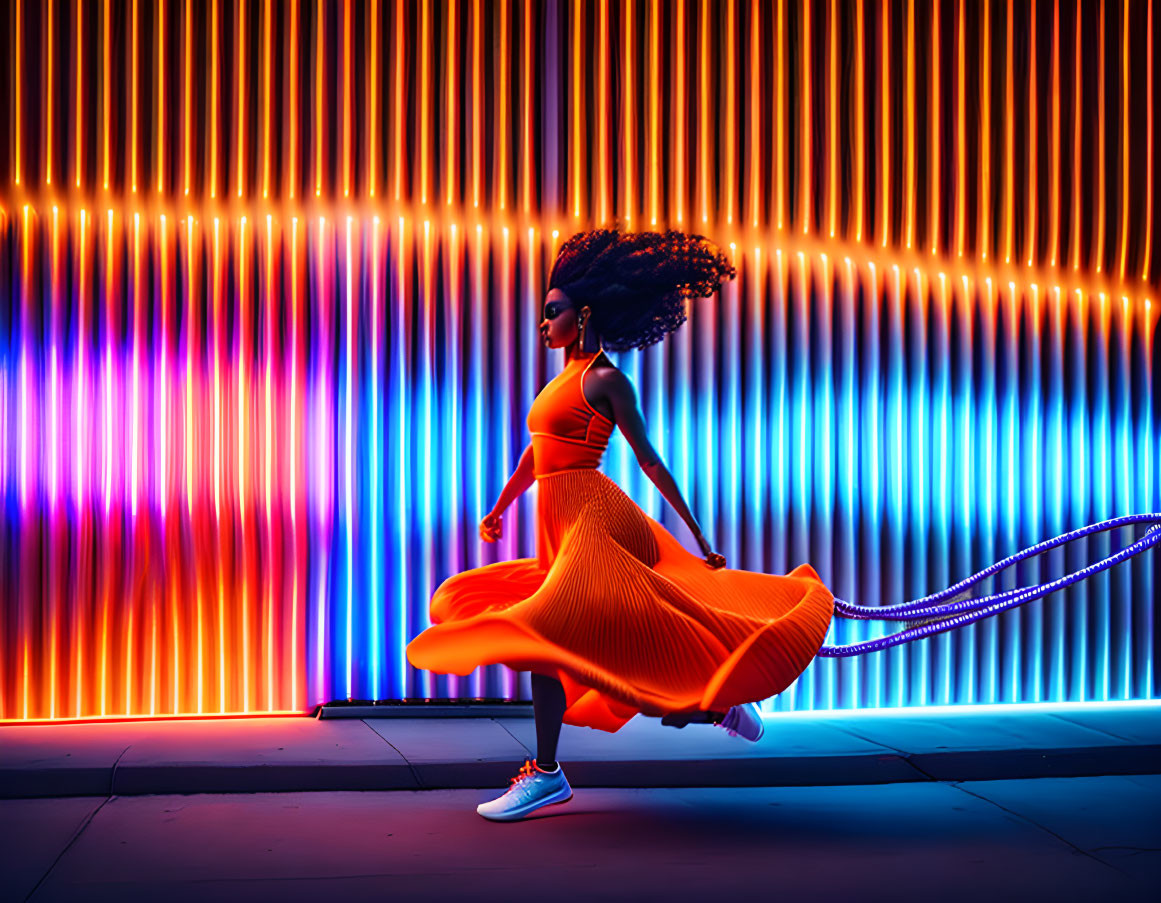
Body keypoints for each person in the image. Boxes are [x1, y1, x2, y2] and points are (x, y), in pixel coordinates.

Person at [405, 228, 834, 821]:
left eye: (551, 312)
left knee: (598, 639)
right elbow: (538, 455)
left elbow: (648, 457)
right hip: (556, 528)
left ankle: (709, 706)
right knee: (556, 646)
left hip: (591, 520)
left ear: (582, 315)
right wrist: (501, 508)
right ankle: (558, 770)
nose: (543, 323)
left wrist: (699, 535)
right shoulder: (560, 380)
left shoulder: (606, 380)